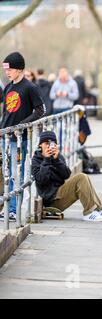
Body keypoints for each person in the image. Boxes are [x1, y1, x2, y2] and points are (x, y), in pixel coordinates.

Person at [0, 52, 46, 221]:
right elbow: (6, 112)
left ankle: (13, 209)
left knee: (14, 173)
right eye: (6, 70)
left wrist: (21, 126)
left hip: (19, 139)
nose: (7, 72)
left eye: (10, 69)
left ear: (19, 69)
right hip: (4, 137)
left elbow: (41, 110)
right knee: (6, 173)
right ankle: (7, 206)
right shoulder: (8, 87)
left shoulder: (30, 88)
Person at [31, 131, 102, 222]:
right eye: (46, 143)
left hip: (60, 194)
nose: (49, 146)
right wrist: (46, 160)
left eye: (52, 143)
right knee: (81, 177)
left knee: (84, 177)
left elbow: (66, 175)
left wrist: (56, 161)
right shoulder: (36, 160)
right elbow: (41, 181)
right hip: (52, 201)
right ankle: (89, 213)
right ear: (40, 145)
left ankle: (98, 209)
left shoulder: (58, 157)